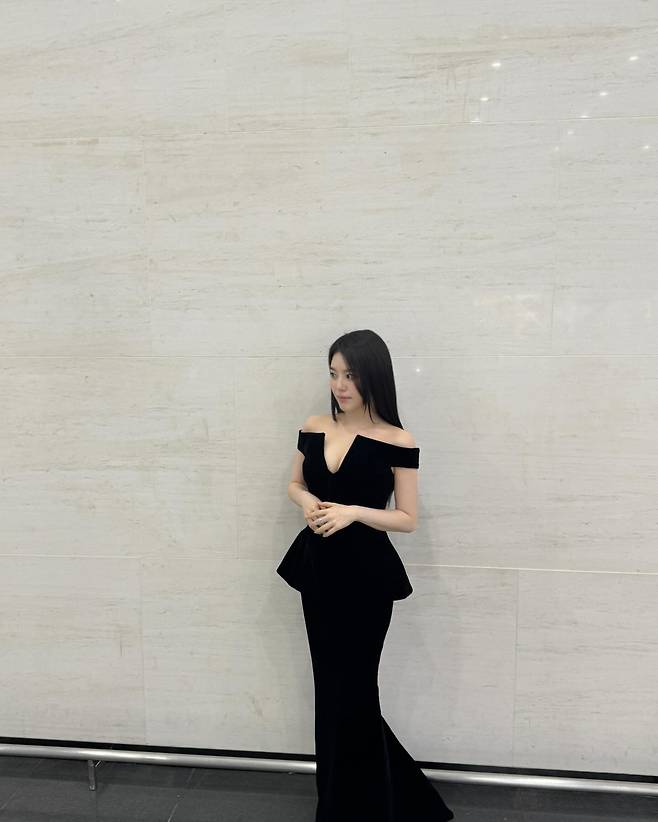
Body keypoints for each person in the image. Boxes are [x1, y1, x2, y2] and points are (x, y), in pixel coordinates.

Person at [277, 329, 455, 822]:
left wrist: (354, 511)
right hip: (317, 571)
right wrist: (308, 501)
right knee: (330, 689)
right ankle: (362, 801)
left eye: (350, 375)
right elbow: (293, 483)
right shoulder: (314, 426)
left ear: (373, 376)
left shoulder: (398, 440)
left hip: (366, 578)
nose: (340, 385)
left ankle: (360, 806)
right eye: (334, 374)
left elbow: (407, 518)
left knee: (355, 691)